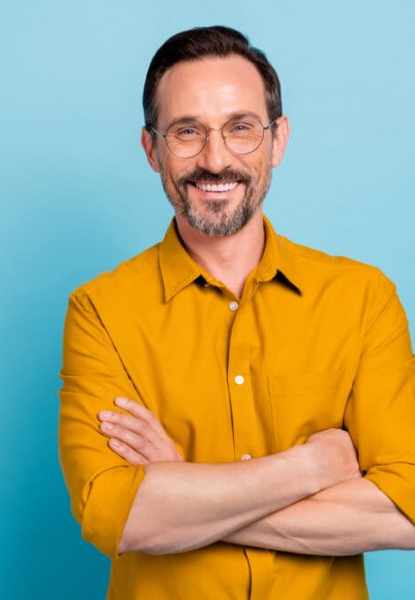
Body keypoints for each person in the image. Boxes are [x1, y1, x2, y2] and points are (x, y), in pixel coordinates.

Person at [58, 25, 415, 599]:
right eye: (187, 132)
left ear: (278, 141)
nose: (215, 159)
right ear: (152, 150)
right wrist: (314, 467)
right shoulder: (100, 310)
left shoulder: (363, 299)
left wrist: (181, 496)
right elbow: (114, 516)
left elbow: (406, 513)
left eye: (241, 129)